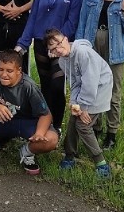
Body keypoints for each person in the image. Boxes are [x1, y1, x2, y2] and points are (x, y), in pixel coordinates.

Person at [15, 0, 83, 130]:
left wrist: (58, 44)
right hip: (40, 43)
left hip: (60, 46)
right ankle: (45, 123)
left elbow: (73, 20)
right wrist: (22, 43)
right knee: (45, 86)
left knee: (57, 85)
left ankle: (57, 125)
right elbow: (33, 18)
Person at [75, 0, 124, 149]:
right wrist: (79, 46)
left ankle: (111, 133)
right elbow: (82, 21)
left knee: (113, 92)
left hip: (115, 48)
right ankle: (94, 127)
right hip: (92, 45)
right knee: (92, 86)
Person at [0, 49, 59, 177]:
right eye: (1, 69)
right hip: (2, 119)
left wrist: (39, 134)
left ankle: (27, 152)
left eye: (9, 71)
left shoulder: (29, 86)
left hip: (26, 122)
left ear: (19, 70)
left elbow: (46, 114)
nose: (3, 74)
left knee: (52, 139)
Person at [44, 29, 112, 178]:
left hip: (100, 89)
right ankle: (69, 156)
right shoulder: (63, 61)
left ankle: (101, 163)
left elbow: (91, 81)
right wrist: (75, 104)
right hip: (85, 91)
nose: (58, 50)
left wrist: (84, 107)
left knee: (82, 124)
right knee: (73, 120)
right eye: (53, 49)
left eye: (59, 45)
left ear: (66, 39)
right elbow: (74, 83)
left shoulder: (82, 53)